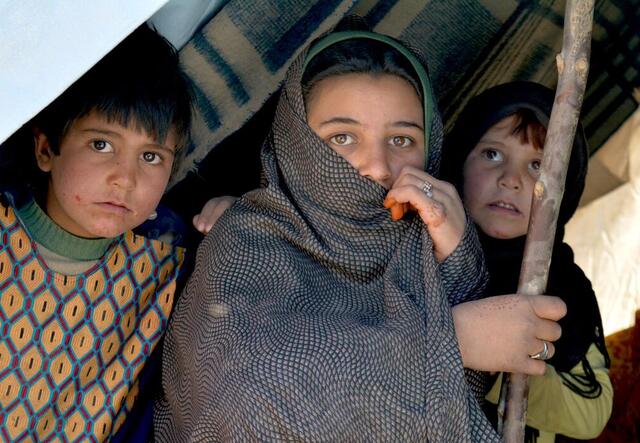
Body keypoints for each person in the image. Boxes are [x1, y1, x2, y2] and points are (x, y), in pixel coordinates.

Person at [156, 27, 566, 442]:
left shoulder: (421, 241)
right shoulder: (247, 237)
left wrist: (459, 257)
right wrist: (445, 340)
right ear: (294, 141)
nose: (378, 167)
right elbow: (244, 394)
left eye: (402, 139)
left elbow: (457, 405)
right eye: (344, 138)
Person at [0, 25, 192, 442]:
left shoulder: (168, 266)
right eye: (101, 145)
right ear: (46, 150)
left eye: (151, 156)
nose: (125, 179)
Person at [441, 81, 613, 442]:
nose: (511, 180)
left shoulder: (565, 287)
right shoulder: (418, 251)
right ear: (459, 159)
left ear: (565, 191)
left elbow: (591, 413)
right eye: (492, 154)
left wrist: (504, 359)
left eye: (538, 165)